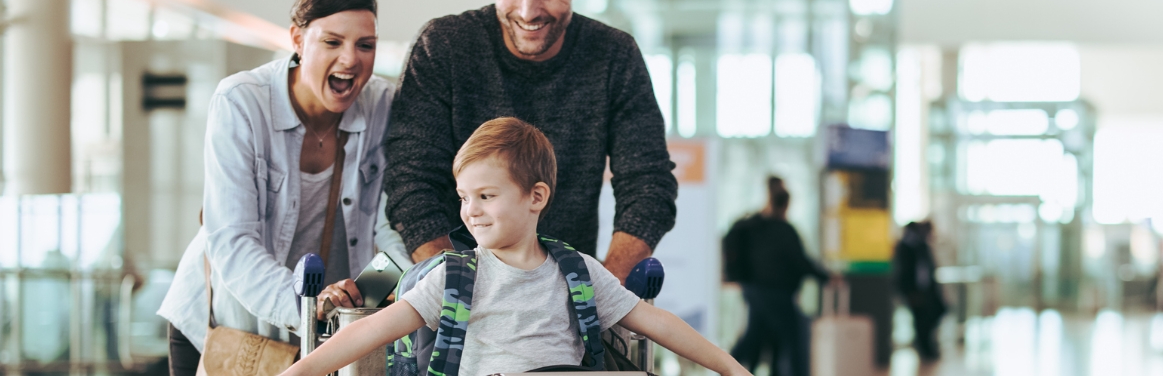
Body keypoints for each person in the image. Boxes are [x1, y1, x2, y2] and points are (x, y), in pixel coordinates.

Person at [278, 117, 749, 376]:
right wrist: (302, 372)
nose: (471, 211)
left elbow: (656, 322)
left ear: (535, 197)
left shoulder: (577, 272)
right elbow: (372, 331)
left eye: (486, 196)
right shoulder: (455, 276)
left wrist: (731, 369)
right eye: (464, 197)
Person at [383, 0, 676, 283]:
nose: (527, 11)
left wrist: (603, 291)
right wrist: (459, 287)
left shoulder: (614, 56)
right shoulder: (443, 46)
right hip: (455, 292)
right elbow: (410, 180)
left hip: (571, 295)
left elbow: (649, 183)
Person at [156, 0, 406, 376]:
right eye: (332, 41)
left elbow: (389, 225)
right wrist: (309, 306)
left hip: (322, 337)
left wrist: (371, 301)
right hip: (226, 327)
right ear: (297, 39)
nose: (350, 59)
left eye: (365, 45)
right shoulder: (241, 102)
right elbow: (233, 240)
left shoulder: (382, 105)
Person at [722, 177, 827, 376]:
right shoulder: (784, 230)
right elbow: (801, 263)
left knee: (759, 339)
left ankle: (731, 369)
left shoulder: (751, 226)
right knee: (788, 341)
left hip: (753, 291)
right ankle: (727, 367)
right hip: (778, 295)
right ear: (786, 204)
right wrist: (826, 277)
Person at [893, 220, 946, 360]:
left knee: (935, 313)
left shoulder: (922, 246)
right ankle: (925, 349)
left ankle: (928, 347)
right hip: (914, 291)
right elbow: (902, 272)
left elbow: (929, 270)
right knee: (921, 320)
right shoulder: (905, 246)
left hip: (927, 290)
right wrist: (909, 292)